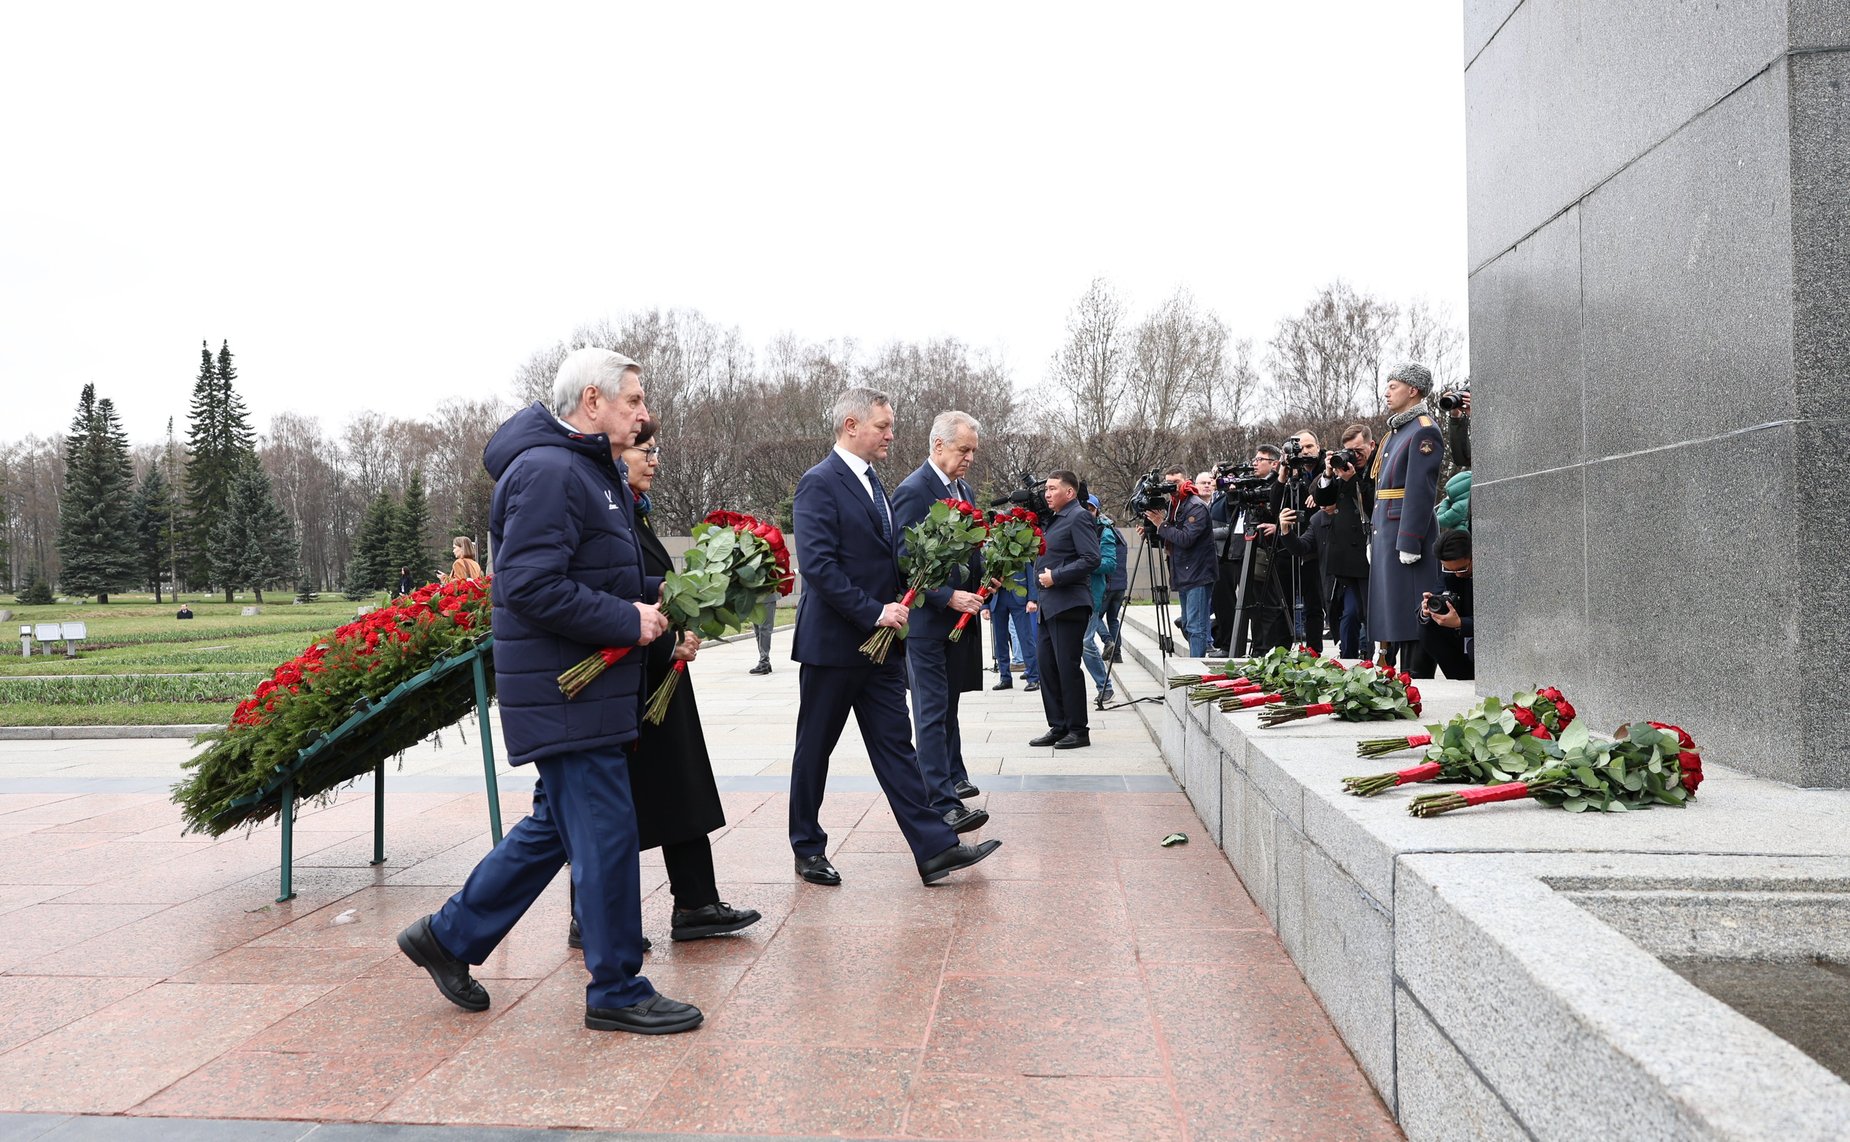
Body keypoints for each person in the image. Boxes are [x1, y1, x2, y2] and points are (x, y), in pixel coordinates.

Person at [395, 347, 702, 1036]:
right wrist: (629, 619)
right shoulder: (549, 471)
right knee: (608, 836)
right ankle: (617, 988)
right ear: (592, 402)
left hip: (586, 691)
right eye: (633, 401)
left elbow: (597, 574)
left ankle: (448, 937)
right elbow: (529, 586)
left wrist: (671, 600)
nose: (644, 415)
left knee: (555, 830)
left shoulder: (586, 471)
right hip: (567, 695)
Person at [786, 387, 1001, 887]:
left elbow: (894, 557)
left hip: (882, 647)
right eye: (883, 426)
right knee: (815, 748)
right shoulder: (818, 483)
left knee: (896, 748)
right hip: (835, 647)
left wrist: (916, 595)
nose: (891, 434)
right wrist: (872, 612)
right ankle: (807, 847)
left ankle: (934, 849)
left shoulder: (875, 483)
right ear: (851, 425)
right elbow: (818, 566)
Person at [569, 418, 760, 944]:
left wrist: (685, 628)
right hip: (623, 675)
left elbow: (656, 591)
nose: (653, 460)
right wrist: (658, 639)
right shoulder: (604, 513)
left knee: (681, 784)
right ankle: (591, 916)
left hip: (656, 675)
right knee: (603, 805)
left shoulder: (634, 513)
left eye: (656, 452)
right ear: (614, 456)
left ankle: (696, 903)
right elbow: (606, 596)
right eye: (644, 451)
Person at [891, 411, 989, 825]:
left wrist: (986, 581)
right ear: (938, 445)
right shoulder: (914, 490)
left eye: (972, 452)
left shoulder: (961, 487)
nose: (968, 458)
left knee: (947, 710)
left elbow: (967, 551)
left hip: (956, 624)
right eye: (963, 449)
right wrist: (948, 597)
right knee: (930, 713)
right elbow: (902, 559)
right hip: (927, 623)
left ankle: (951, 784)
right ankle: (941, 805)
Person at [1368, 362, 1446, 677]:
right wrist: (1374, 535)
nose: (1387, 392)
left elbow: (1420, 489)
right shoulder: (1397, 432)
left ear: (1412, 390)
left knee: (1412, 609)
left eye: (1393, 386)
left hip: (1405, 532)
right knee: (1393, 609)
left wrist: (1410, 539)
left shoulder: (1424, 428)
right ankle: (1398, 675)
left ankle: (1417, 677)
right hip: (1388, 529)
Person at [1030, 470, 1101, 749]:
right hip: (1049, 606)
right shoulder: (1055, 519)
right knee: (1047, 666)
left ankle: (1078, 730)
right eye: (1046, 489)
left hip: (1069, 603)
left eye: (1052, 488)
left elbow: (1091, 558)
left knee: (1066, 667)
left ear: (1069, 492)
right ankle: (1058, 726)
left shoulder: (1079, 516)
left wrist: (1056, 577)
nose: (1046, 494)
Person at [1316, 423, 1377, 659]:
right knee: (1349, 613)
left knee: (1370, 615)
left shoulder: (1377, 467)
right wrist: (1329, 473)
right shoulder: (1343, 469)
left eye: (1359, 450)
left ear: (1371, 445)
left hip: (1368, 554)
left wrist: (1351, 480)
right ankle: (1349, 659)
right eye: (1350, 450)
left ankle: (1376, 660)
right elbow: (1322, 499)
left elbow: (1373, 503)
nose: (1355, 455)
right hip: (1345, 558)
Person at [1142, 466, 1214, 658]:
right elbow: (1172, 540)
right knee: (1190, 623)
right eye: (1168, 483)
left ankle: (1196, 666)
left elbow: (1185, 539)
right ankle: (1195, 660)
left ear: (1186, 479)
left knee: (1195, 625)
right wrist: (1154, 531)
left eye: (1176, 482)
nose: (1171, 487)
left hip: (1197, 573)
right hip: (1184, 572)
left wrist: (1161, 524)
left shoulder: (1195, 505)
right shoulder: (1176, 504)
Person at [1418, 528, 1474, 680]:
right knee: (1426, 627)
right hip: (1459, 639)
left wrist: (1461, 623)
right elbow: (1436, 595)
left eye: (1462, 569)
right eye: (1448, 569)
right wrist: (1426, 610)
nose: (1457, 574)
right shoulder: (1450, 572)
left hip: (1483, 637)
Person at [1080, 493, 1120, 707]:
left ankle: (1105, 686)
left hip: (1092, 594)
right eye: (1083, 507)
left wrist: (1084, 564)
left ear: (1096, 510)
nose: (1087, 512)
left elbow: (1110, 564)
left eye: (1091, 508)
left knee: (1086, 642)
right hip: (1071, 593)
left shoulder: (1104, 531)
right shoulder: (1073, 526)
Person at [984, 566, 1039, 690]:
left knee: (1026, 638)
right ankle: (1005, 677)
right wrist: (985, 605)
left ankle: (1034, 677)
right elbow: (985, 575)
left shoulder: (1022, 545)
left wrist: (1032, 599)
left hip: (1019, 596)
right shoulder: (989, 548)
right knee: (1000, 641)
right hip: (997, 598)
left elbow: (1031, 572)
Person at [749, 589, 777, 675]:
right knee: (757, 631)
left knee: (764, 630)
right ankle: (765, 661)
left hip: (767, 596)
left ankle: (763, 663)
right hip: (754, 598)